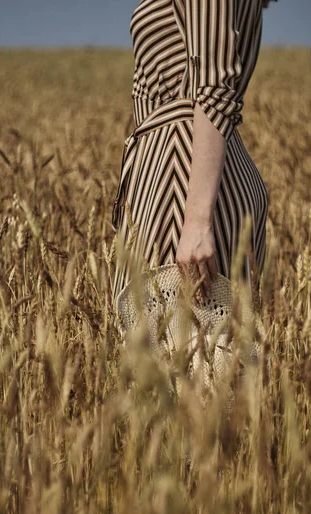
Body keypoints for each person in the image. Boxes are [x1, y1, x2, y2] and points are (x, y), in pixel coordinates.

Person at [111, 0, 275, 308]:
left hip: (181, 175)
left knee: (176, 348)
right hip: (191, 169)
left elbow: (214, 88)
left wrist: (198, 221)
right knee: (210, 348)